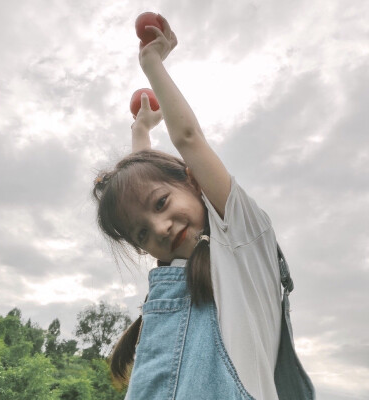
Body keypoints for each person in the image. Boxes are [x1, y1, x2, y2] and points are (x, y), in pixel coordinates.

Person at [93, 14, 315, 400]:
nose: (160, 227)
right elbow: (144, 192)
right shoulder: (176, 275)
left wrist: (152, 64)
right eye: (142, 233)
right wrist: (141, 131)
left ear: (192, 180)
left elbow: (189, 138)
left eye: (162, 204)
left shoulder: (242, 242)